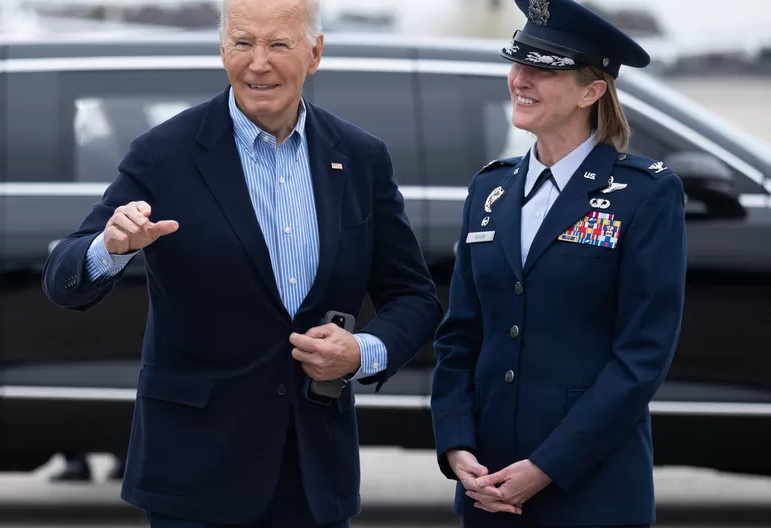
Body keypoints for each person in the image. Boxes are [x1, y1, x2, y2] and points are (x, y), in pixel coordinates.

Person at [42, 0, 442, 525]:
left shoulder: (360, 157)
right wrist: (109, 248)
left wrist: (362, 351)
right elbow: (63, 279)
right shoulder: (165, 153)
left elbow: (413, 298)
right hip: (194, 474)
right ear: (222, 49)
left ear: (314, 53)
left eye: (278, 44)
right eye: (242, 43)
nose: (258, 63)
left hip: (312, 473)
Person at [430, 0, 687, 527]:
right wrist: (457, 445)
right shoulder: (489, 189)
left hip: (592, 487)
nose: (519, 80)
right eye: (517, 62)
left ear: (592, 91)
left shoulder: (646, 194)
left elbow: (642, 356)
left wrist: (548, 464)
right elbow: (460, 336)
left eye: (543, 68)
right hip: (489, 486)